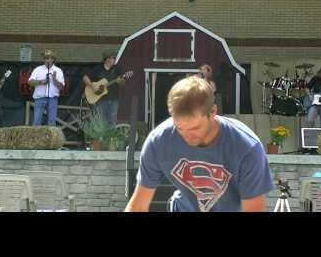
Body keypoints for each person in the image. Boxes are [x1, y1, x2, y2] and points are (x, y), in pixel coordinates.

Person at [125, 76, 274, 212]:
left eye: (195, 128)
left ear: (213, 111)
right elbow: (138, 205)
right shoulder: (158, 141)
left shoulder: (247, 147)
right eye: (180, 128)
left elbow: (253, 209)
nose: (187, 136)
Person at [83, 50, 124, 129]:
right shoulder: (98, 68)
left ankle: (110, 140)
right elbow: (85, 77)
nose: (114, 60)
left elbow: (122, 83)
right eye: (113, 58)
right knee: (100, 121)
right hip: (100, 100)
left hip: (114, 99)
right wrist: (92, 85)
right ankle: (100, 140)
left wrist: (121, 81)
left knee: (112, 120)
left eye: (114, 58)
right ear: (107, 59)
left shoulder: (117, 69)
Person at [28, 50, 65, 126]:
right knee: (36, 121)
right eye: (46, 58)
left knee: (52, 122)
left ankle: (51, 138)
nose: (48, 60)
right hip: (39, 98)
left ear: (53, 59)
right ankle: (36, 137)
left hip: (53, 98)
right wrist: (41, 82)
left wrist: (54, 80)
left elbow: (61, 87)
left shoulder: (58, 70)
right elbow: (30, 82)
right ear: (44, 59)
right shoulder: (37, 69)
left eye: (50, 58)